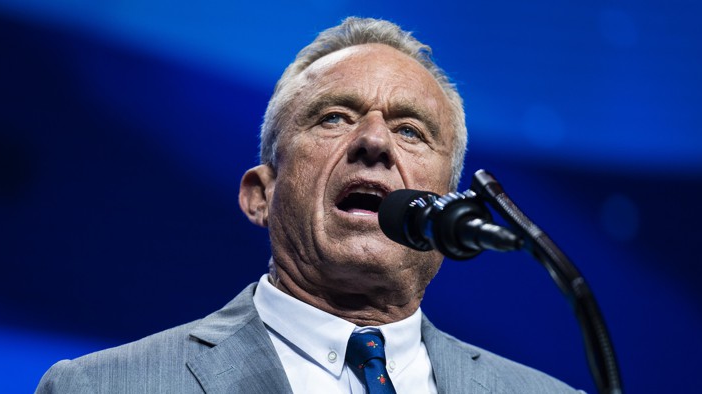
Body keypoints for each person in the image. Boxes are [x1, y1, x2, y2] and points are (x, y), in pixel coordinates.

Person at [36, 17, 579, 393]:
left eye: (411, 131)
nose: (375, 142)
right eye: (334, 118)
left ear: (445, 205)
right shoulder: (103, 388)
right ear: (261, 194)